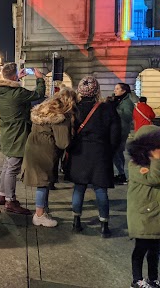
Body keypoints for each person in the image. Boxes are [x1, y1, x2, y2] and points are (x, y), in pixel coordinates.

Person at [68, 76, 121, 237]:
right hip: (100, 152)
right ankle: (104, 225)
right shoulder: (107, 109)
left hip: (80, 152)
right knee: (100, 189)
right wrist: (109, 152)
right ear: (96, 90)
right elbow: (116, 135)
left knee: (79, 187)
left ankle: (76, 221)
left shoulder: (74, 108)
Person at [0, 63, 45, 215]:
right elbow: (38, 94)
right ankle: (10, 200)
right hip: (18, 133)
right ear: (14, 76)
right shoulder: (17, 93)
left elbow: (11, 89)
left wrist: (16, 79)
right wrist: (39, 79)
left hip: (7, 132)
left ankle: (2, 195)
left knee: (8, 166)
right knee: (13, 168)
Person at [22, 88, 77, 227]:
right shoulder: (60, 116)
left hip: (32, 146)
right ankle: (39, 215)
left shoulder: (42, 109)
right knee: (43, 182)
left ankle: (43, 211)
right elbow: (63, 142)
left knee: (42, 181)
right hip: (45, 150)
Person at [126, 125, 160, 288]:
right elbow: (154, 179)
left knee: (154, 250)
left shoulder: (154, 162)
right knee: (141, 248)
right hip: (142, 214)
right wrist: (157, 159)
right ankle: (137, 279)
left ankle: (153, 278)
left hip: (155, 213)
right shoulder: (136, 165)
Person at [112, 82, 135, 185]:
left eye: (117, 89)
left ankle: (121, 174)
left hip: (121, 130)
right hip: (116, 129)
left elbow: (128, 116)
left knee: (116, 152)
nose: (115, 90)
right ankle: (121, 174)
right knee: (118, 152)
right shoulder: (117, 100)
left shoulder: (128, 102)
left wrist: (115, 110)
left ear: (123, 91)